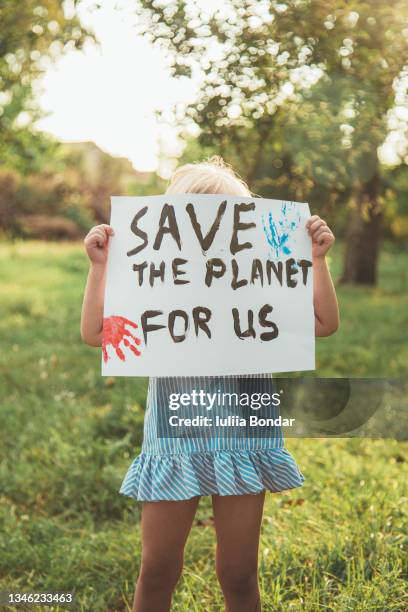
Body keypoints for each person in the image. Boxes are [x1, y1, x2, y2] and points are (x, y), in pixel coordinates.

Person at [80, 156, 339, 612]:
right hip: (175, 441)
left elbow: (324, 321)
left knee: (238, 573)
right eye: (197, 221)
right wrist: (99, 267)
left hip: (243, 436)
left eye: (227, 222)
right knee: (158, 569)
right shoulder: (154, 288)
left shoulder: (262, 286)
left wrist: (316, 260)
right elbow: (96, 333)